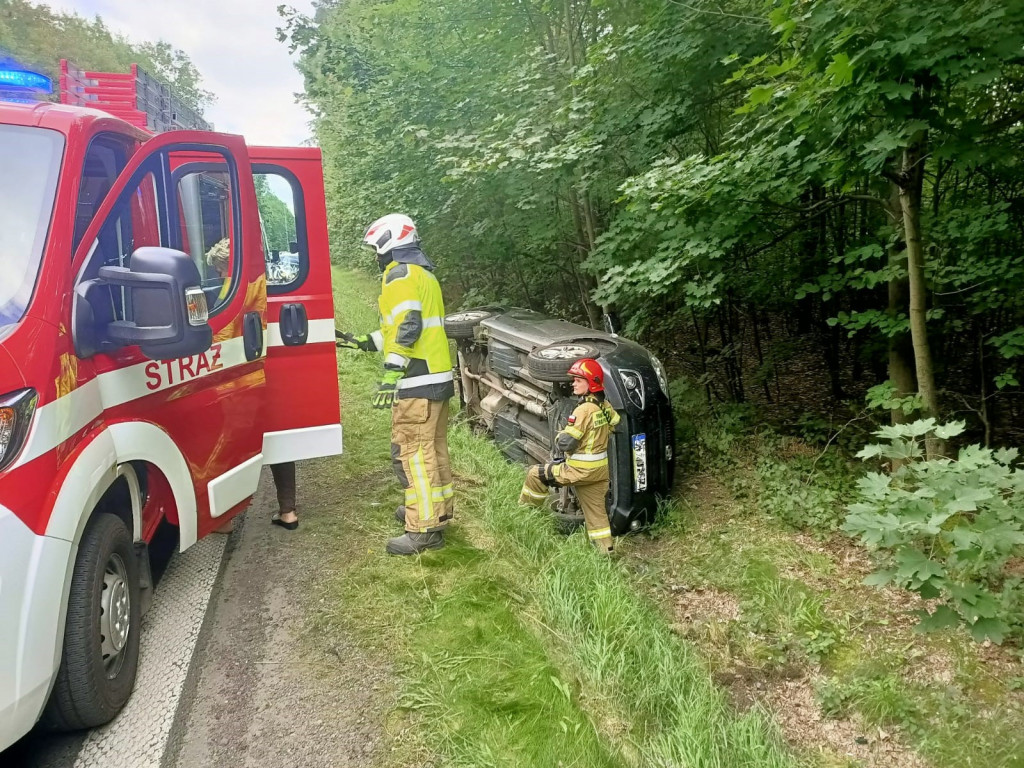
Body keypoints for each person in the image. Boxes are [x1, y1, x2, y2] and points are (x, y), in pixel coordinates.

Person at [336, 213, 455, 555]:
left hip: (417, 379)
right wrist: (364, 341)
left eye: (376, 248)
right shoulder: (422, 274)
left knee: (410, 455)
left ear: (389, 244)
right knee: (432, 450)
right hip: (437, 375)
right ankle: (435, 512)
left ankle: (423, 529)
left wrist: (391, 373)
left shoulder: (397, 275)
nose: (376, 255)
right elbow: (398, 328)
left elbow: (409, 326)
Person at [519, 358, 620, 553]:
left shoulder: (583, 410)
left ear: (591, 383)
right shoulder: (604, 406)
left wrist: (560, 434)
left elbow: (566, 442)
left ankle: (525, 519)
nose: (573, 384)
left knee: (535, 474)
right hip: (599, 472)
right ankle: (606, 552)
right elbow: (616, 423)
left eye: (578, 380)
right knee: (596, 514)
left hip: (579, 471)